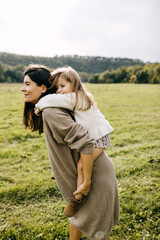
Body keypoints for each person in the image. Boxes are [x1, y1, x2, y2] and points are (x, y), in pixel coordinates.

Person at [21, 64, 120, 240]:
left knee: (96, 229)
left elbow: (85, 142)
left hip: (96, 173)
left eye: (27, 84)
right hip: (93, 167)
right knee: (78, 218)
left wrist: (87, 181)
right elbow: (67, 146)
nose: (23, 88)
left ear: (43, 88)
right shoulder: (54, 109)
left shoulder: (50, 111)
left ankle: (82, 193)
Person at [34, 66, 114, 217]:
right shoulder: (78, 97)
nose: (59, 91)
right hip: (95, 136)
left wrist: (39, 106)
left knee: (81, 165)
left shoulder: (77, 97)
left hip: (99, 138)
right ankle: (64, 175)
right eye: (57, 88)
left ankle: (80, 196)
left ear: (75, 84)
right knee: (78, 160)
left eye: (63, 86)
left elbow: (53, 99)